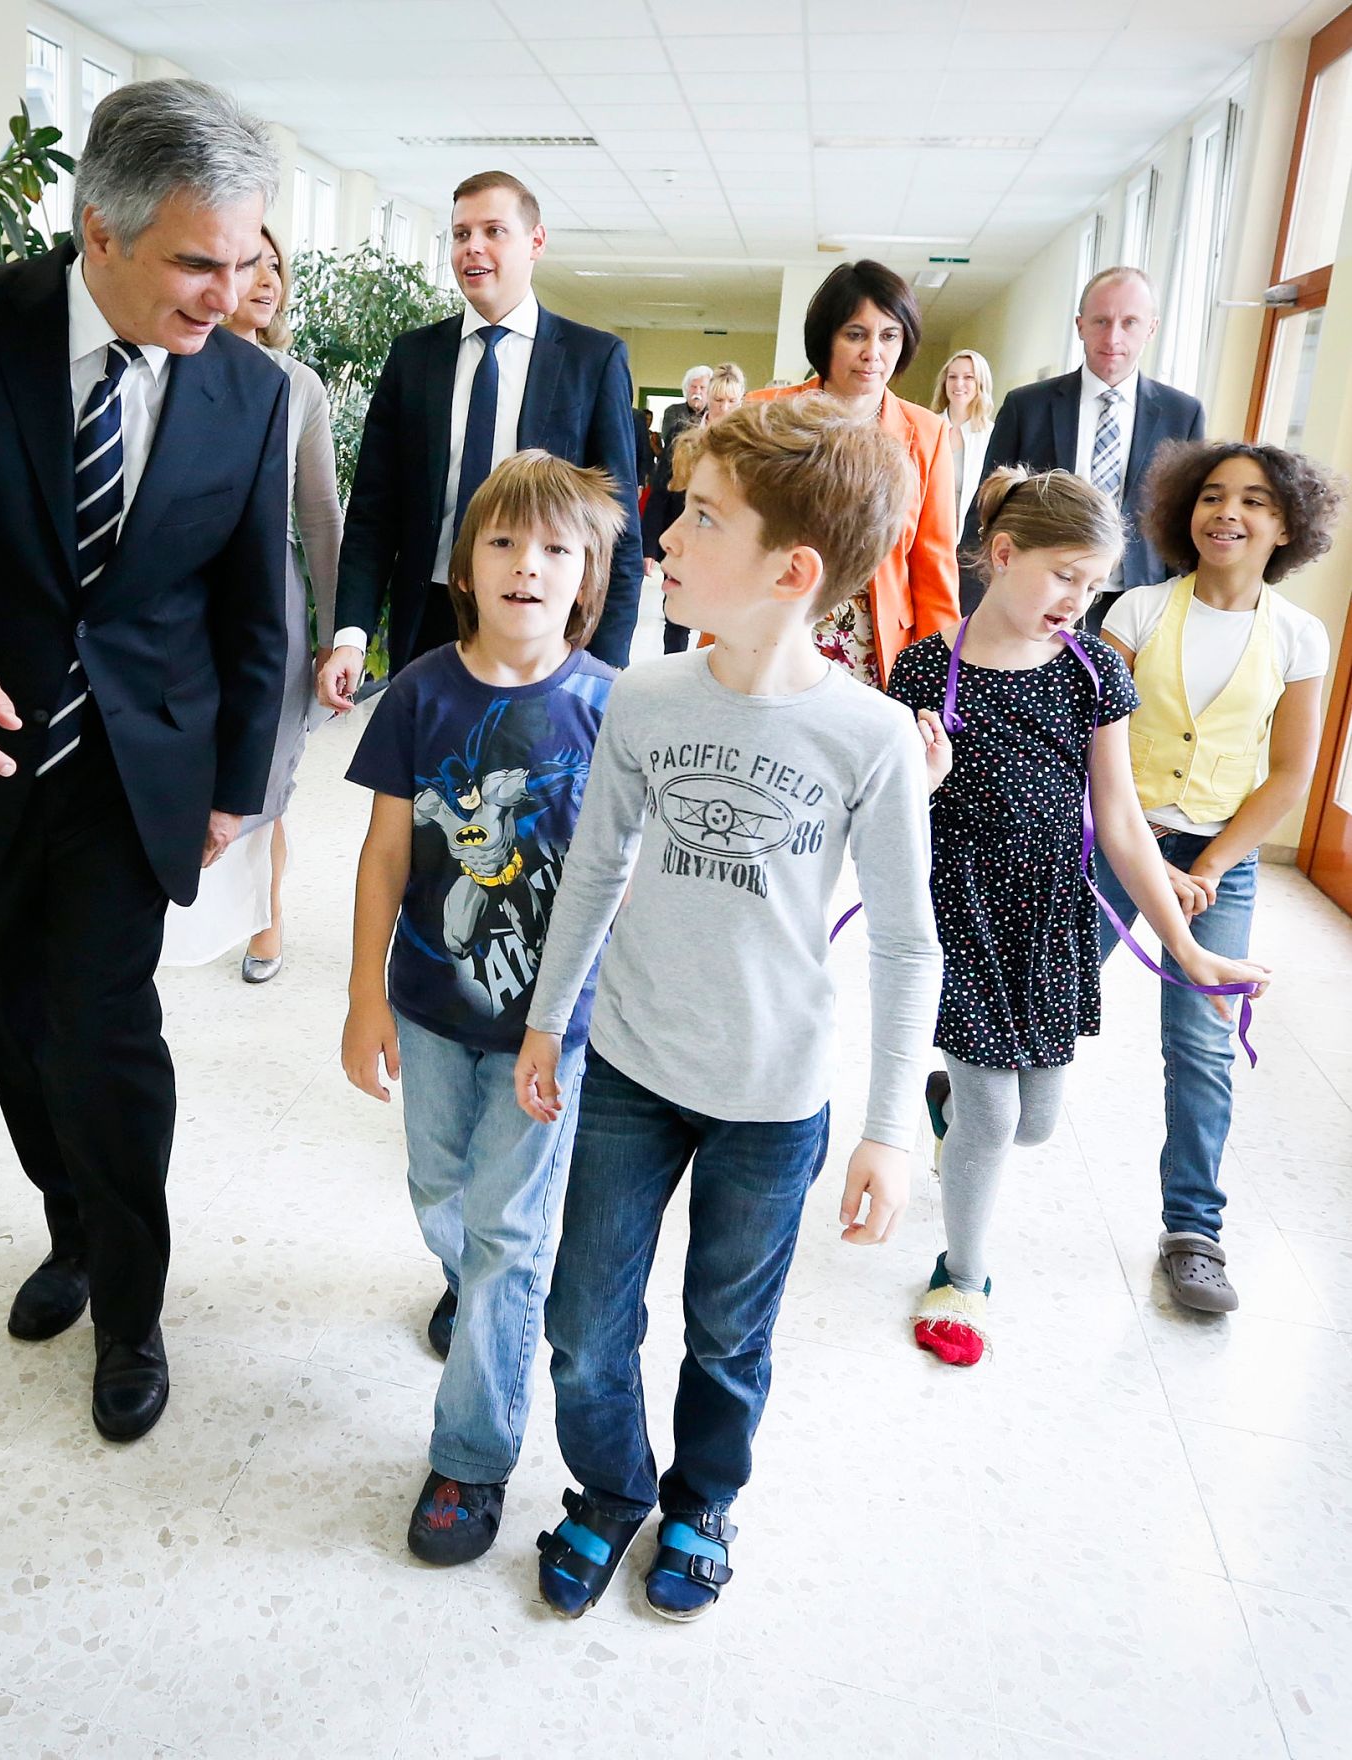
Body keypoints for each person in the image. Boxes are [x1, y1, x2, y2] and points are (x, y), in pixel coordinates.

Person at [0, 79, 290, 1444]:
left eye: (244, 261)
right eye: (197, 264)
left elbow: (257, 609)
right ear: (101, 232)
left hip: (136, 775)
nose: (228, 296)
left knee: (105, 1030)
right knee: (17, 1022)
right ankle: (69, 1226)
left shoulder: (252, 390)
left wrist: (237, 786)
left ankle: (131, 1305)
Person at [513, 396, 944, 1621]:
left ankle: (703, 1497)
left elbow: (905, 942)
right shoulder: (646, 697)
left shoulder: (868, 735)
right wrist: (548, 1015)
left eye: (702, 517)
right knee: (584, 1321)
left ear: (791, 571)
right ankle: (609, 1486)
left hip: (772, 1095)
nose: (666, 535)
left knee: (726, 1332)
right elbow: (595, 865)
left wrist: (889, 1129)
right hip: (631, 1066)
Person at [885, 468, 1270, 1368]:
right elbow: (887, 814)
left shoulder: (1092, 673)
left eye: (1094, 585)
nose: (1078, 600)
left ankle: (945, 1105)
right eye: (1065, 575)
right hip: (960, 920)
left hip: (1051, 921)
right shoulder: (927, 668)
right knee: (994, 1119)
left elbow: (1123, 824)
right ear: (1003, 554)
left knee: (1034, 1122)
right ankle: (962, 1276)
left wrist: (1186, 951)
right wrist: (920, 783)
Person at [341, 451, 625, 1566]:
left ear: (586, 576)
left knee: (511, 1232)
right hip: (427, 1005)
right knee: (437, 1190)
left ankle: (472, 1453)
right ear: (465, 566)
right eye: (504, 542)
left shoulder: (611, 706)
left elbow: (633, 880)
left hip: (551, 1032)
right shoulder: (420, 692)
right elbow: (381, 857)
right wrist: (363, 997)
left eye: (555, 548)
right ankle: (480, 1293)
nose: (527, 566)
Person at [1097, 441, 1342, 1312]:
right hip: (1117, 840)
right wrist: (1147, 853)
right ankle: (966, 1089)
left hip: (1219, 864)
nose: (1227, 512)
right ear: (1184, 512)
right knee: (1044, 990)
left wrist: (1207, 866)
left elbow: (1290, 773)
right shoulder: (1136, 610)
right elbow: (1099, 749)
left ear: (1287, 526)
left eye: (1254, 501)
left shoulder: (1299, 636)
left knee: (1201, 1041)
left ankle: (1194, 1233)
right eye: (1211, 495)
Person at [317, 170, 643, 698]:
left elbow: (619, 527)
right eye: (461, 234)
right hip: (431, 614)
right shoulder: (414, 357)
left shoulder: (592, 359)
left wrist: (607, 667)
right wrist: (351, 638)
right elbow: (373, 514)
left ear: (536, 241)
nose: (473, 247)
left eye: (494, 231)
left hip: (545, 623)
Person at [159, 224, 343, 983]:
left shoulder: (297, 384)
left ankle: (266, 921)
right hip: (182, 598)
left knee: (264, 775)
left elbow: (321, 514)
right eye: (249, 264)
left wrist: (336, 634)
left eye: (274, 267)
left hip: (269, 601)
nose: (266, 280)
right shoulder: (169, 363)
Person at [753, 261, 960, 688]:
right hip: (769, 626)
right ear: (825, 337)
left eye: (889, 336)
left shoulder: (927, 433)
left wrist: (939, 681)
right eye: (855, 334)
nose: (873, 353)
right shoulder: (764, 413)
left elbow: (934, 568)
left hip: (872, 647)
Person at [962, 267, 1205, 629]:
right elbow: (987, 510)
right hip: (1040, 601)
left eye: (1130, 323)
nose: (1113, 337)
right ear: (1080, 325)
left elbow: (1187, 520)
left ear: (1152, 328)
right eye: (1101, 321)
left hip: (1140, 605)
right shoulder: (1027, 407)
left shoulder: (1182, 414)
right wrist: (973, 609)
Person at [644, 362, 747, 654]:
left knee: (722, 614)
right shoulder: (683, 435)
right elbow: (661, 491)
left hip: (726, 541)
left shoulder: (749, 442)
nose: (724, 408)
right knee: (676, 613)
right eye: (718, 400)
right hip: (684, 534)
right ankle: (673, 667)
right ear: (707, 400)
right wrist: (649, 547)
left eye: (732, 401)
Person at [931, 348, 994, 538]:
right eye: (952, 377)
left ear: (980, 383)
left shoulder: (991, 434)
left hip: (971, 538)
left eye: (968, 377)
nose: (959, 384)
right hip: (929, 531)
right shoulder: (927, 427)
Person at [658, 364, 712, 458]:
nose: (697, 391)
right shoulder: (673, 411)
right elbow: (671, 441)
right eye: (693, 387)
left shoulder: (713, 413)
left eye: (702, 387)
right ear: (686, 389)